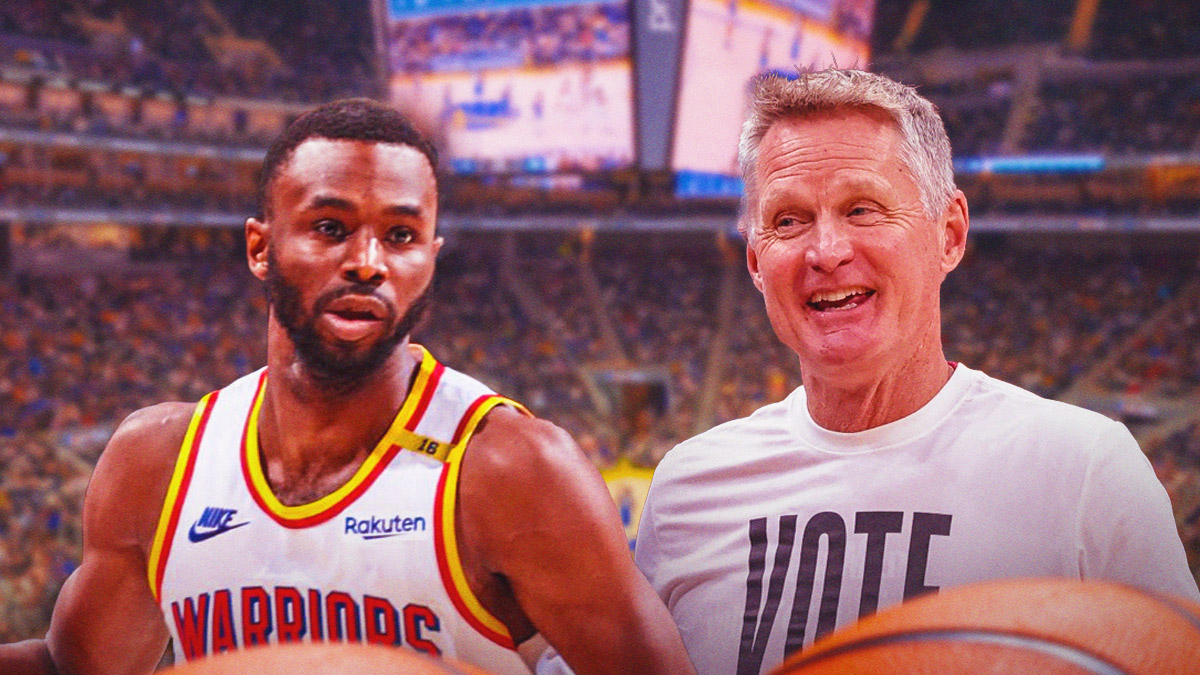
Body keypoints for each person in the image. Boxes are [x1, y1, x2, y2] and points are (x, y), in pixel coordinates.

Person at [0, 99, 694, 675]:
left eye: (400, 235)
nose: (367, 262)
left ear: (431, 258)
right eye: (330, 228)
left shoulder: (516, 469)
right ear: (259, 246)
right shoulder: (156, 459)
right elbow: (72, 667)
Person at [633, 69, 1200, 675]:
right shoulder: (686, 488)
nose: (826, 251)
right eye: (788, 221)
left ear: (949, 234)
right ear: (754, 259)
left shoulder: (1086, 469)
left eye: (863, 209)